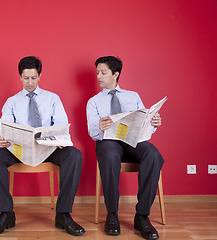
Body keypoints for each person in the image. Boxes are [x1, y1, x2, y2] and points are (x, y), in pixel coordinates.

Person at [0, 56, 85, 236]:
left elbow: (62, 125)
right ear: (20, 77)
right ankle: (5, 214)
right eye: (26, 78)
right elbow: (4, 128)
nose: (30, 82)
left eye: (33, 78)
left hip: (48, 149)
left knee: (74, 155)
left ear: (39, 76)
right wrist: (1, 139)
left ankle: (63, 214)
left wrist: (61, 139)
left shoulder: (52, 99)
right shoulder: (12, 102)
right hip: (20, 150)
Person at [86, 56, 164, 240]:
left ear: (116, 74)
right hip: (108, 142)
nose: (99, 76)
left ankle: (142, 216)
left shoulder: (132, 96)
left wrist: (154, 123)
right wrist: (100, 127)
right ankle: (112, 214)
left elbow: (144, 123)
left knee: (153, 154)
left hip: (132, 141)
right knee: (111, 156)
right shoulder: (94, 102)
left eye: (103, 72)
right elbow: (92, 132)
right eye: (97, 72)